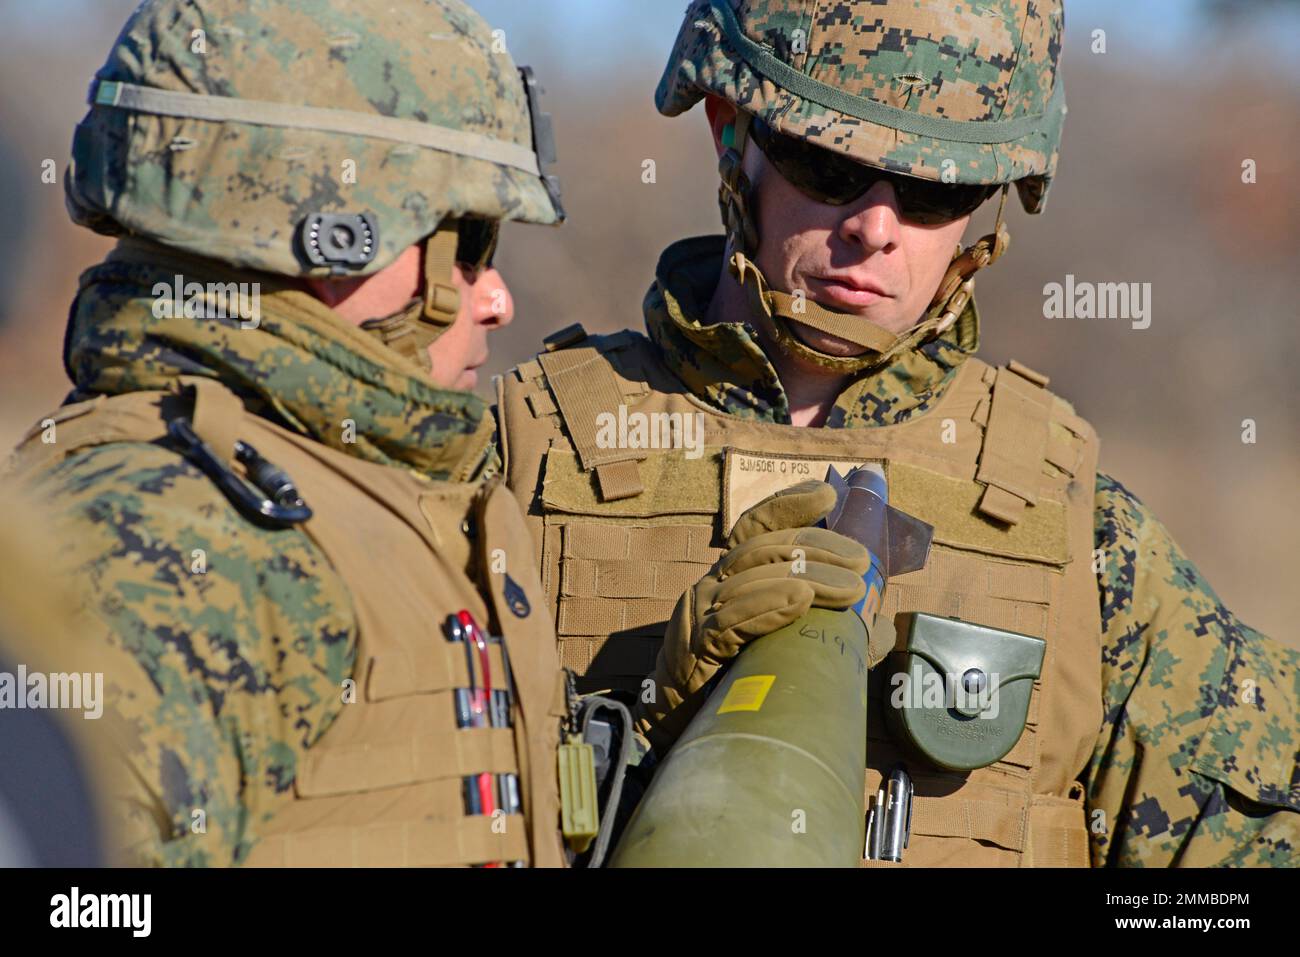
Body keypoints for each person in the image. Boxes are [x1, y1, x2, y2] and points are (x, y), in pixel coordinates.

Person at [494, 0, 1299, 866]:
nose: (874, 228)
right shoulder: (523, 465)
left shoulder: (1074, 533)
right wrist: (643, 724)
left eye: (931, 187)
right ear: (732, 134)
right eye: (831, 165)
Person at [5, 0, 579, 867]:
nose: (494, 298)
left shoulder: (369, 490)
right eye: (469, 244)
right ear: (328, 231)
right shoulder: (162, 542)